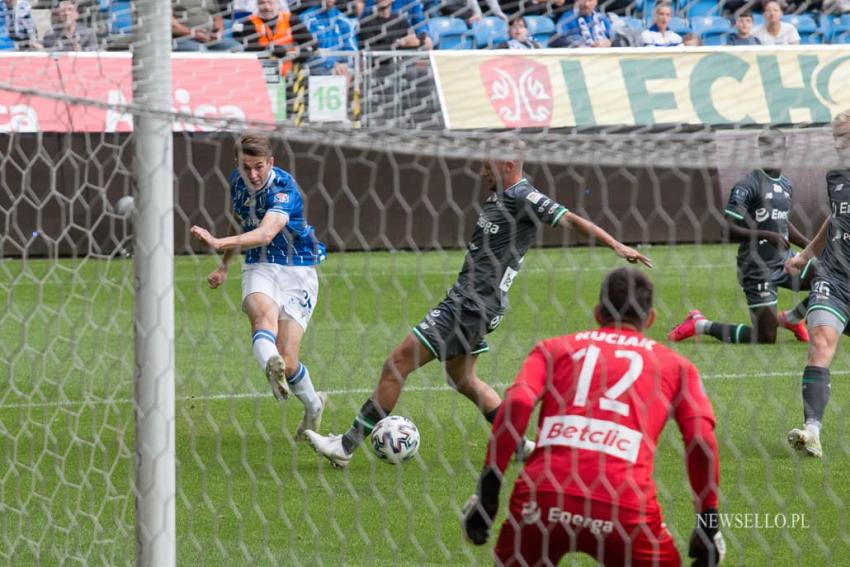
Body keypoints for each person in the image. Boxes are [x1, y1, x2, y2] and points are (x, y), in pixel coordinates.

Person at [304, 149, 653, 468]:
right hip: (475, 303)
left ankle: (346, 446)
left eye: (487, 165)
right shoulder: (498, 196)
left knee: (396, 364)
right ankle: (519, 446)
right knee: (464, 379)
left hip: (470, 306)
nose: (481, 170)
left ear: (508, 165)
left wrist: (616, 245)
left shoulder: (524, 196)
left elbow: (572, 219)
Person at [461, 267, 724, 566]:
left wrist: (488, 494)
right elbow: (702, 440)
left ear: (598, 313)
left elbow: (518, 402)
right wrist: (708, 525)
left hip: (544, 495)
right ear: (649, 319)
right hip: (624, 504)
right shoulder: (676, 367)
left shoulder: (553, 348)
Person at [190, 133, 328, 440]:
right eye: (246, 167)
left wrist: (217, 242)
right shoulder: (237, 182)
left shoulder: (283, 188)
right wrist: (225, 265)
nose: (253, 174)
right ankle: (271, 366)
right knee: (261, 318)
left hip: (298, 268)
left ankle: (313, 405)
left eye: (259, 167)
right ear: (237, 163)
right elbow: (240, 220)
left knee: (289, 359)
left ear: (271, 163)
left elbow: (266, 232)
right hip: (260, 264)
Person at [669, 129, 812, 345]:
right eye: (765, 150)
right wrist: (765, 235)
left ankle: (792, 318)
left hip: (786, 261)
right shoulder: (748, 185)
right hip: (756, 268)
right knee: (766, 338)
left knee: (830, 274)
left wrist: (811, 246)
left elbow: (782, 223)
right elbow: (726, 229)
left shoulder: (786, 185)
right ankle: (699, 324)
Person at [785, 110, 850, 459]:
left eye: (845, 137)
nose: (839, 145)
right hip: (834, 277)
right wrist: (807, 253)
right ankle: (812, 431)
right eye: (836, 137)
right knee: (821, 342)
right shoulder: (836, 175)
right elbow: (836, 216)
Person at [300, 0, 358, 76]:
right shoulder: (306, 19)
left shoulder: (344, 20)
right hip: (316, 68)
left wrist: (345, 64)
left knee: (349, 71)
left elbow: (352, 50)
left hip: (343, 68)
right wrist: (332, 64)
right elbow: (308, 52)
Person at [172, 0, 243, 51]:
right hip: (181, 38)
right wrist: (191, 33)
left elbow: (218, 17)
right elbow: (169, 21)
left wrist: (218, 32)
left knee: (237, 48)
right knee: (201, 51)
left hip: (209, 37)